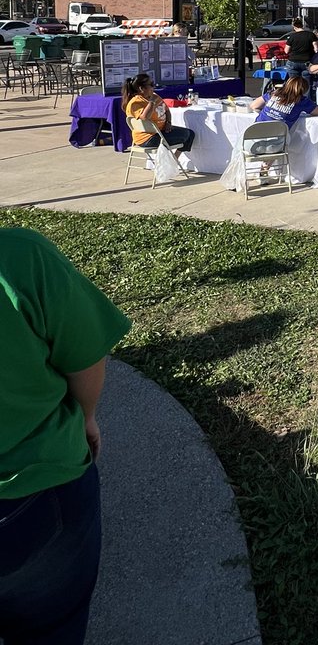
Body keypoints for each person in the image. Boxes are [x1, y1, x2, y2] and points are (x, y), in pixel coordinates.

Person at [0, 225, 131, 645]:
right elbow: (84, 359)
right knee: (52, 629)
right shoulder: (21, 255)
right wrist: (87, 417)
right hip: (39, 489)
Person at [122, 73, 195, 155]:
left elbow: (167, 110)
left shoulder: (154, 96)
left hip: (161, 131)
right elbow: (145, 117)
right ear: (141, 89)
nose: (154, 87)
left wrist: (168, 122)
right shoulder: (135, 102)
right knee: (186, 135)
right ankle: (170, 161)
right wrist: (152, 102)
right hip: (148, 138)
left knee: (190, 134)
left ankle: (173, 160)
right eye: (151, 85)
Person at [250, 75, 318, 125]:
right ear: (304, 90)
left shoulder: (273, 94)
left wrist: (268, 111)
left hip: (254, 140)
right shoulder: (302, 101)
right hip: (277, 143)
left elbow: (253, 105)